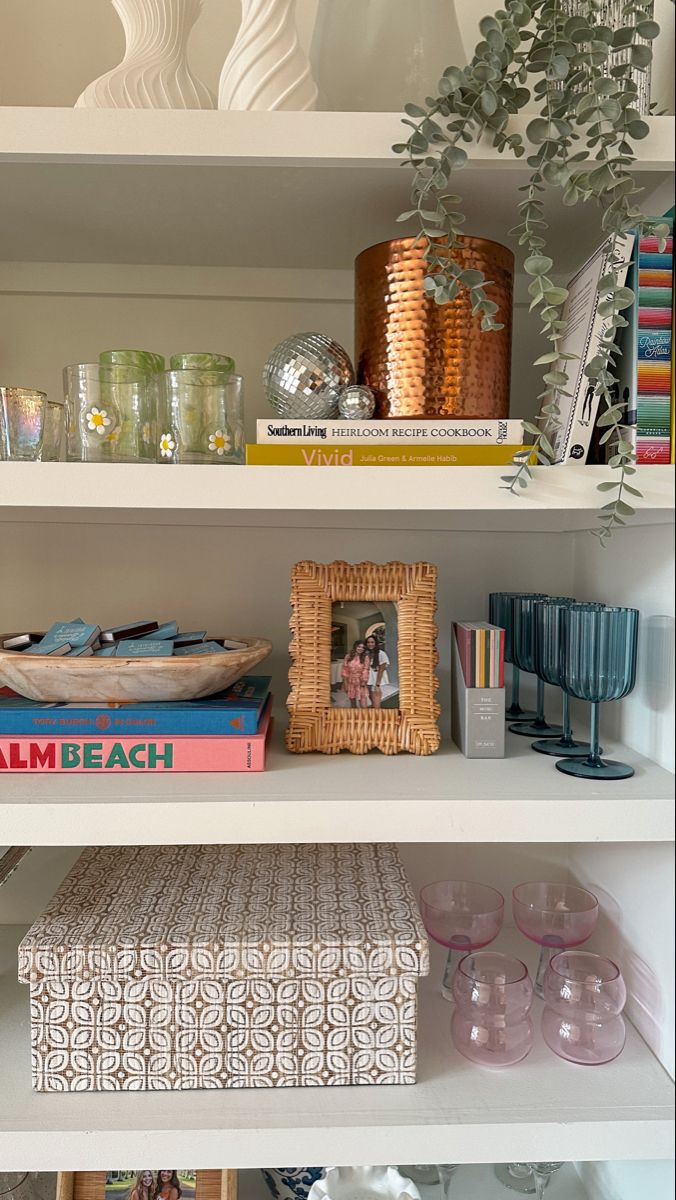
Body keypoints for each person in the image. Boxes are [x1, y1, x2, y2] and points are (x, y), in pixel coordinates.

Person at [341, 640, 370, 708]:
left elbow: (366, 669)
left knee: (363, 703)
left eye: (363, 647)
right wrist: (345, 683)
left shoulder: (365, 657)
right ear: (355, 646)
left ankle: (365, 717)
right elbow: (345, 670)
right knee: (352, 702)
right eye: (359, 646)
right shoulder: (348, 656)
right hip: (350, 681)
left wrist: (363, 681)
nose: (361, 649)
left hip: (360, 681)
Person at [365, 633, 390, 709]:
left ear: (376, 643)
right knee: (370, 696)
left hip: (376, 679)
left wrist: (377, 685)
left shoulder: (381, 654)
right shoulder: (367, 653)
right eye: (368, 642)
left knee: (376, 701)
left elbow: (381, 670)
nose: (370, 644)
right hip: (368, 679)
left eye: (372, 642)